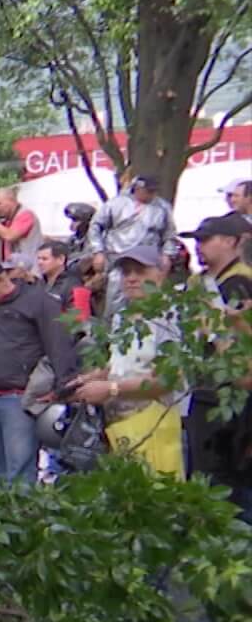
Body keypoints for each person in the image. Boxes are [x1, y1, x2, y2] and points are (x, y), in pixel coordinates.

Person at [0, 259, 81, 485]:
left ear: (1, 280)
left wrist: (63, 388)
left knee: (20, 470)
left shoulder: (38, 302)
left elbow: (58, 345)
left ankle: (22, 516)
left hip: (19, 397)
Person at [67, 246, 186, 477]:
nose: (131, 278)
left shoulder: (170, 316)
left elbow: (167, 379)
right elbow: (121, 364)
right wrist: (85, 381)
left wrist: (111, 389)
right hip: (118, 426)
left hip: (154, 423)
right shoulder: (122, 316)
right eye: (126, 272)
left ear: (160, 274)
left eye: (140, 271)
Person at [180, 213, 252, 519]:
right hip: (205, 389)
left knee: (223, 482)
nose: (199, 247)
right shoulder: (204, 281)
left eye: (205, 240)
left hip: (228, 395)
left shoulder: (239, 283)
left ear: (231, 242)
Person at [87, 175, 179, 316]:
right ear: (136, 189)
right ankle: (112, 332)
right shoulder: (116, 204)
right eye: (147, 191)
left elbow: (170, 234)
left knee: (149, 299)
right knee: (115, 298)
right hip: (118, 259)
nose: (150, 195)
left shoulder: (162, 207)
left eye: (153, 191)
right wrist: (97, 251)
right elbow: (95, 226)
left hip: (148, 261)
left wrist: (167, 255)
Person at [0, 186, 42, 271]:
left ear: (11, 201)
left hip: (29, 270)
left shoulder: (26, 214)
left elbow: (10, 236)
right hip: (13, 269)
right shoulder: (7, 219)